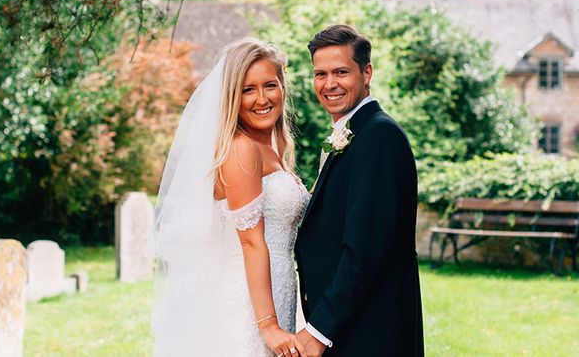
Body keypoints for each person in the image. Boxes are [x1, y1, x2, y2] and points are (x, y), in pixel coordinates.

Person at [152, 38, 310, 357]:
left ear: (283, 86)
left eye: (270, 85)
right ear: (231, 98)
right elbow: (251, 241)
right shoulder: (241, 149)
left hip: (278, 291)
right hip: (249, 306)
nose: (262, 99)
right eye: (247, 90)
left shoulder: (270, 150)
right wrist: (267, 324)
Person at [295, 24, 424, 356]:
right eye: (320, 74)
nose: (329, 84)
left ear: (367, 73)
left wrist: (319, 331)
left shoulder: (379, 137)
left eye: (341, 72)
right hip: (352, 328)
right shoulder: (356, 133)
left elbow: (366, 250)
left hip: (370, 332)